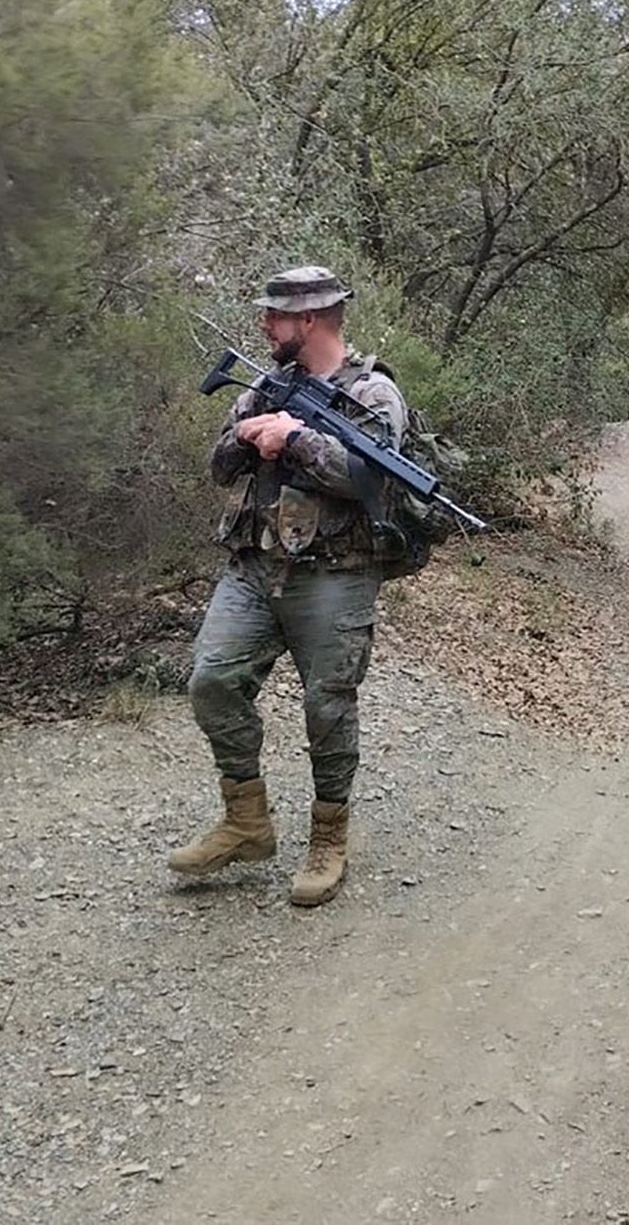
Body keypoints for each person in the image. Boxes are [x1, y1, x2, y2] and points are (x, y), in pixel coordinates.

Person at [168, 266, 406, 907]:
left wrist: (295, 438)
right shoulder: (266, 385)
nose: (264, 325)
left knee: (327, 708)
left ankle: (329, 838)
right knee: (212, 679)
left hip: (335, 575)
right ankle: (246, 821)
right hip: (253, 568)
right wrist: (251, 434)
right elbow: (221, 467)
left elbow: (374, 479)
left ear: (309, 321)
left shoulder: (373, 394)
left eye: (275, 316)